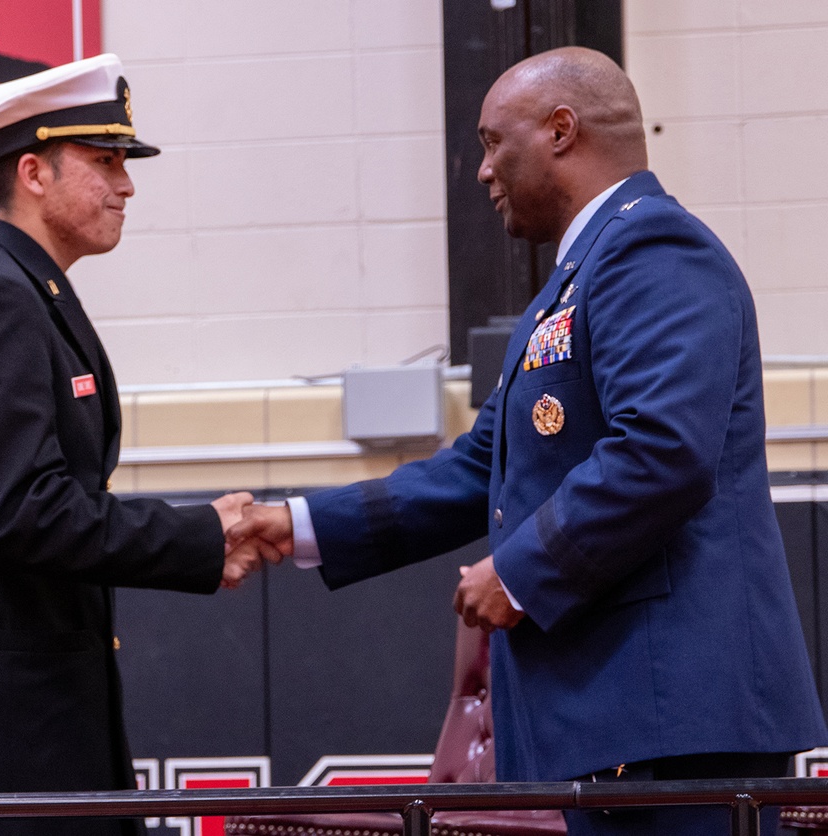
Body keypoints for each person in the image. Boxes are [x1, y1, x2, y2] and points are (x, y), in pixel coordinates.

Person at [228, 47, 828, 834]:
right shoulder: (580, 275)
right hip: (622, 717)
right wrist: (297, 523)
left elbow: (662, 452)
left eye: (490, 141)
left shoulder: (654, 250)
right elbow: (484, 466)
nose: (481, 171)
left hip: (676, 719)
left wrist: (518, 573)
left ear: (560, 130)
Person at [0, 54, 264, 836]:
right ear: (33, 173)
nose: (127, 184)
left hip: (30, 736)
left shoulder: (29, 291)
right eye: (105, 161)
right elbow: (24, 511)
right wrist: (198, 535)